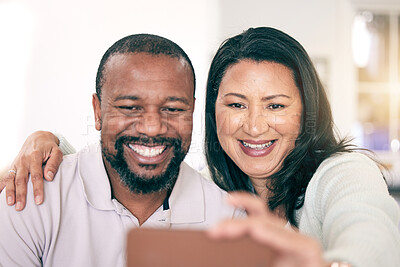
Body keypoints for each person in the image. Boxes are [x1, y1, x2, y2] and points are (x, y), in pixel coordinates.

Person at [2, 27, 400, 267]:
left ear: (306, 112)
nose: (255, 125)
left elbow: (373, 235)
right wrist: (47, 140)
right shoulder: (215, 188)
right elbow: (126, 156)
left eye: (276, 105)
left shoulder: (342, 174)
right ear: (210, 112)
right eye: (236, 104)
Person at [0, 33, 243, 267]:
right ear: (98, 112)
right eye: (129, 107)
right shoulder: (32, 200)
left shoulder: (230, 221)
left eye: (173, 109)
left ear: (192, 111)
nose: (152, 128)